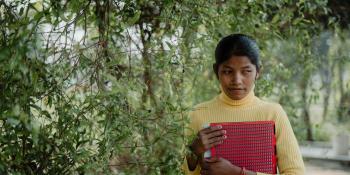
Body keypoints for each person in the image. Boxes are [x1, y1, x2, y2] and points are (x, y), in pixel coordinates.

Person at [183, 34, 305, 175]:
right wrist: (193, 151)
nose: (237, 80)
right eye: (228, 71)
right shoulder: (198, 113)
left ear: (258, 71)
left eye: (246, 71)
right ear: (217, 71)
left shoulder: (273, 114)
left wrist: (236, 172)